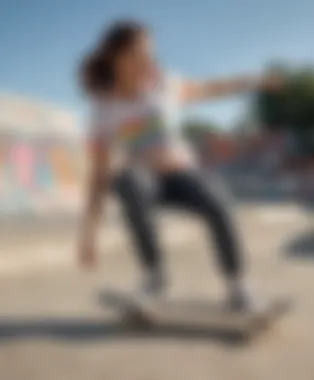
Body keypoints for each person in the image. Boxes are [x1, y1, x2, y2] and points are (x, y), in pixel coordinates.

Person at [78, 20, 281, 312]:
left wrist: (255, 80)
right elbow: (98, 174)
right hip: (145, 180)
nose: (149, 60)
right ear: (116, 58)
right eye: (139, 53)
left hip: (182, 175)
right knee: (127, 181)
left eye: (151, 53)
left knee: (218, 203)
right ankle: (154, 278)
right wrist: (89, 234)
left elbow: (213, 89)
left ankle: (238, 285)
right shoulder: (103, 108)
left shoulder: (164, 84)